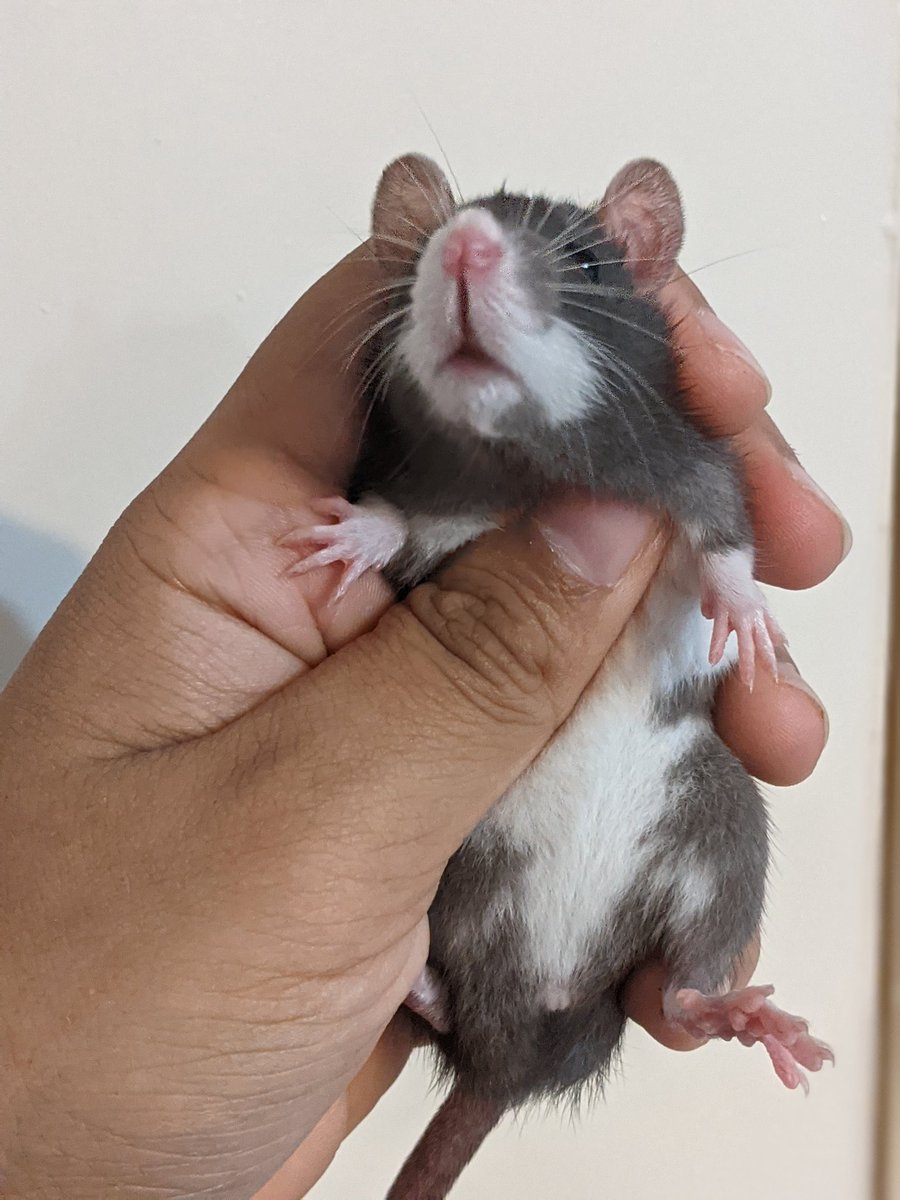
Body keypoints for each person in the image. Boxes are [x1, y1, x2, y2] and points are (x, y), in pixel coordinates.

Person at [0, 244, 847, 1199]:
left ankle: (696, 989)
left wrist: (731, 579)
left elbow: (711, 505)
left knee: (728, 804)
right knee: (472, 829)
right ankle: (461, 977)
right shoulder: (453, 459)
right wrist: (381, 532)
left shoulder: (657, 439)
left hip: (617, 867)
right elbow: (428, 521)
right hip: (488, 929)